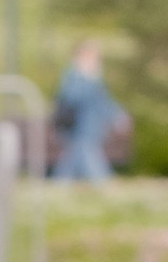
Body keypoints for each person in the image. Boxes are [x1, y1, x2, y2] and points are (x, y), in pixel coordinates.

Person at [47, 41, 124, 182]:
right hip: (78, 127)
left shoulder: (94, 78)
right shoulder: (74, 76)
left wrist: (117, 115)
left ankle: (60, 183)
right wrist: (86, 79)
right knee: (86, 154)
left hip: (92, 126)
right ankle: (102, 182)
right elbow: (72, 97)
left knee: (73, 157)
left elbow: (104, 101)